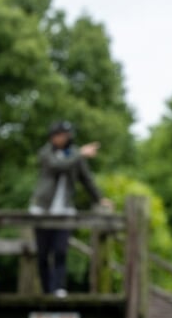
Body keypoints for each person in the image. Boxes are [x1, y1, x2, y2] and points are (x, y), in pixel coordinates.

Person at [28, 120, 114, 297]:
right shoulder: (46, 153)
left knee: (60, 250)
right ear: (53, 136)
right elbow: (57, 166)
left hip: (65, 210)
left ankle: (58, 288)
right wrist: (81, 154)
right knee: (43, 253)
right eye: (61, 134)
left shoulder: (75, 155)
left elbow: (86, 179)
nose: (64, 138)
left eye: (66, 135)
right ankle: (46, 291)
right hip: (43, 209)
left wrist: (99, 199)